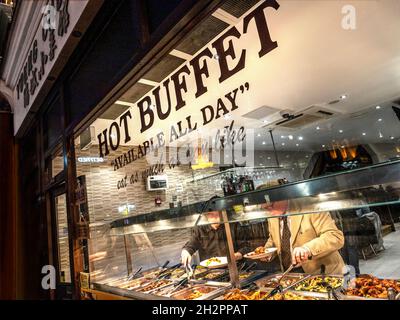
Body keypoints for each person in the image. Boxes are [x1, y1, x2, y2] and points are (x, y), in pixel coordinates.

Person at [261, 199, 345, 274]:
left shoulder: (310, 206)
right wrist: (266, 251)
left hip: (322, 272)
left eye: (271, 205)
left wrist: (307, 249)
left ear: (283, 197)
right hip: (289, 273)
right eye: (265, 208)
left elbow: (334, 236)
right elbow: (273, 238)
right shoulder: (272, 215)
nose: (269, 210)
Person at [181, 210, 248, 266]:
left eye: (218, 212)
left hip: (235, 267)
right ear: (206, 215)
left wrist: (238, 254)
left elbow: (245, 246)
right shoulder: (200, 229)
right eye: (211, 213)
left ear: (223, 213)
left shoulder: (234, 225)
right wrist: (186, 251)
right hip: (210, 272)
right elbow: (192, 244)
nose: (215, 216)